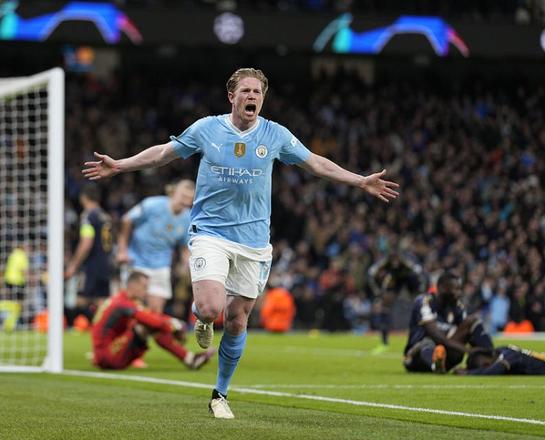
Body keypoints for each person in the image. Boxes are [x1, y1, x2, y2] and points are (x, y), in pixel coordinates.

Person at [81, 67, 399, 418]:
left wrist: (360, 181)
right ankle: (202, 318)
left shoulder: (275, 134)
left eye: (257, 92)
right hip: (210, 233)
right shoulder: (207, 129)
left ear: (263, 98)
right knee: (210, 308)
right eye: (246, 91)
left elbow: (315, 163)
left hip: (253, 241)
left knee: (236, 319)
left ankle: (220, 394)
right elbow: (163, 154)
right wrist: (120, 165)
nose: (252, 96)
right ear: (231, 96)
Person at [91, 270, 214, 370]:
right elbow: (154, 321)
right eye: (144, 287)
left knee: (148, 323)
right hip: (108, 356)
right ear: (133, 285)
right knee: (147, 326)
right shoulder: (123, 303)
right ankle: (190, 359)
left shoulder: (121, 299)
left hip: (102, 354)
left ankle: (190, 358)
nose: (146, 291)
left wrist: (174, 323)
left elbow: (151, 315)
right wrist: (174, 327)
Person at [116, 179, 194, 314]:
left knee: (156, 311)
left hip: (161, 265)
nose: (185, 201)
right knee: (129, 307)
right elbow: (126, 220)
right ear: (173, 192)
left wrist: (186, 264)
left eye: (189, 198)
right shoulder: (152, 204)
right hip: (136, 260)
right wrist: (122, 251)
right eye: (183, 196)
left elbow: (184, 246)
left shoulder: (188, 218)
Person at [403, 271, 493, 373]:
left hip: (446, 355)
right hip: (417, 357)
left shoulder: (457, 307)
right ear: (442, 288)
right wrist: (468, 351)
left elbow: (467, 333)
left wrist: (479, 350)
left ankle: (491, 357)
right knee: (429, 342)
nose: (459, 293)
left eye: (460, 289)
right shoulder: (424, 301)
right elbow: (436, 336)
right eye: (456, 289)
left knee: (472, 321)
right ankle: (436, 363)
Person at [64, 185, 113, 323]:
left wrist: (74, 264)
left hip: (91, 265)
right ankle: (102, 328)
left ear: (84, 197)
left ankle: (79, 326)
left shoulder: (88, 216)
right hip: (105, 264)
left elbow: (86, 242)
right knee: (102, 301)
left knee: (81, 299)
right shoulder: (105, 216)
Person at [367, 251, 426, 354]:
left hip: (410, 279)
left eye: (396, 259)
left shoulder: (407, 262)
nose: (395, 262)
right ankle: (384, 343)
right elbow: (371, 273)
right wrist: (377, 290)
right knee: (384, 305)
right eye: (392, 259)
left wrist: (421, 288)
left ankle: (420, 338)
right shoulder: (384, 262)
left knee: (419, 306)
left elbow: (420, 273)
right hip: (395, 279)